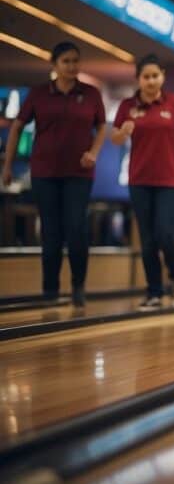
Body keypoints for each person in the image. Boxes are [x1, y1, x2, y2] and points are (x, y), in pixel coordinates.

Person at [2, 41, 107, 313]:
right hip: (45, 172)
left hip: (79, 173)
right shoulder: (38, 94)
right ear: (55, 65)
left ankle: (78, 287)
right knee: (51, 231)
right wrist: (7, 165)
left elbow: (101, 126)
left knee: (76, 228)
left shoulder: (91, 93)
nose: (72, 66)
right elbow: (17, 128)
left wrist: (94, 152)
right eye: (66, 61)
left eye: (75, 61)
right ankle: (50, 289)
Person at [111, 54, 174, 310]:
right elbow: (115, 139)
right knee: (147, 239)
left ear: (163, 76)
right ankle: (154, 291)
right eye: (146, 77)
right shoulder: (128, 105)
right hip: (139, 179)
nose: (151, 81)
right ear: (138, 79)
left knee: (165, 233)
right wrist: (122, 132)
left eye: (155, 76)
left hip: (170, 180)